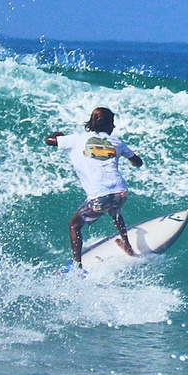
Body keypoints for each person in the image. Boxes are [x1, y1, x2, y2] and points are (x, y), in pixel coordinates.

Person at [45, 104, 145, 267]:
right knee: (115, 211)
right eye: (112, 123)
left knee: (74, 225)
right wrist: (133, 162)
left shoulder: (76, 139)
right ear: (106, 124)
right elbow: (138, 161)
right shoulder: (116, 142)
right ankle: (127, 245)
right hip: (121, 192)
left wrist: (58, 135)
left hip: (100, 195)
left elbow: (49, 141)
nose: (113, 126)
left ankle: (77, 266)